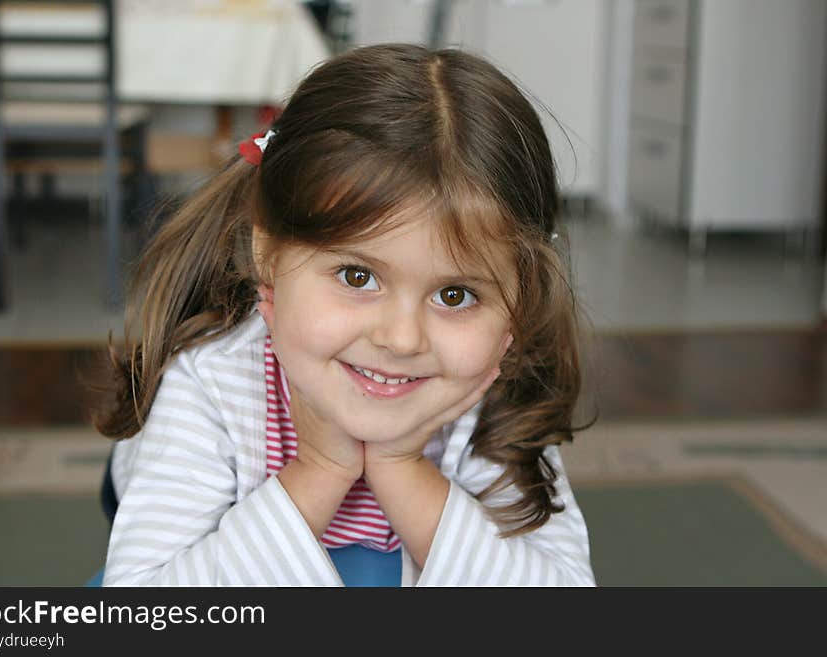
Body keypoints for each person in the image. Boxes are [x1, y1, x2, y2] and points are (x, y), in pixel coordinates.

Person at [95, 43, 596, 586]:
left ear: (518, 303)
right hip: (171, 489)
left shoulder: (491, 391)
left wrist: (401, 466)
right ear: (269, 254)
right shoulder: (210, 380)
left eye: (454, 296)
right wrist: (321, 471)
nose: (401, 340)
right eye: (358, 277)